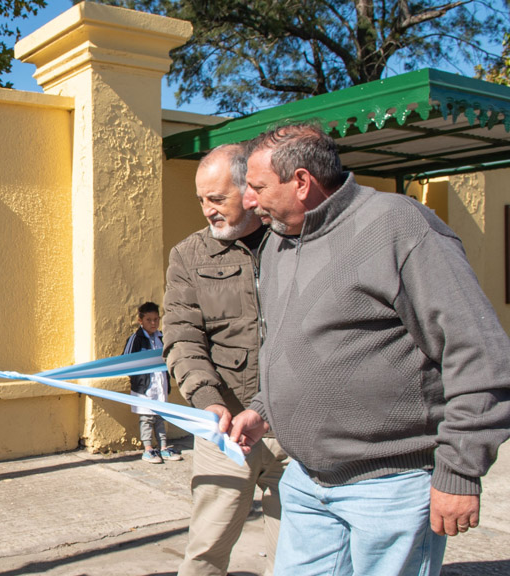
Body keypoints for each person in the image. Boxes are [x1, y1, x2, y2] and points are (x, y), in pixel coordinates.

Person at [231, 123, 510, 575]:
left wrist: (459, 470)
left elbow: (480, 355)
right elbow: (294, 342)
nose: (247, 200)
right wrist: (264, 408)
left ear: (302, 182)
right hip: (305, 482)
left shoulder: (400, 226)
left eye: (258, 187)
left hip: (391, 488)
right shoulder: (280, 242)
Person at [163, 144, 287, 576]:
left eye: (217, 199)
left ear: (250, 191)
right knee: (205, 553)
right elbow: (181, 336)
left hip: (295, 428)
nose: (207, 211)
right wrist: (205, 398)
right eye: (201, 200)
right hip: (225, 430)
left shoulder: (296, 243)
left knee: (297, 557)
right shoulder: (189, 255)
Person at [124, 302, 181, 464]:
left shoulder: (161, 337)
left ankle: (163, 447)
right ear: (140, 320)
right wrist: (138, 379)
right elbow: (126, 360)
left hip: (160, 385)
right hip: (144, 387)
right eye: (149, 320)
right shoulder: (136, 339)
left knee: (161, 417)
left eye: (156, 319)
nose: (153, 323)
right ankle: (148, 449)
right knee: (147, 418)